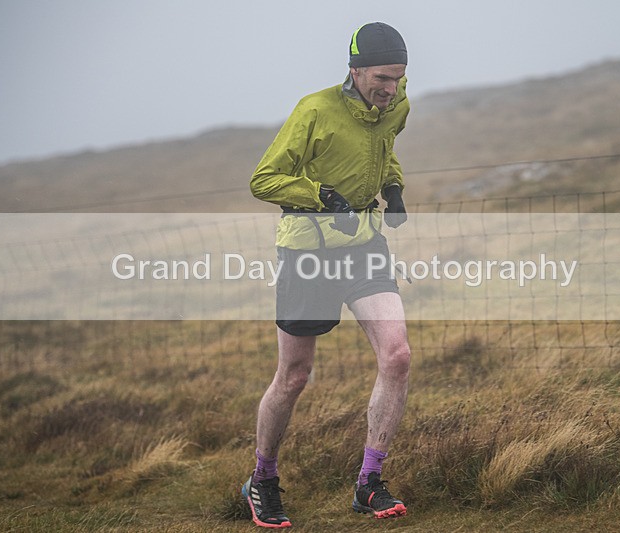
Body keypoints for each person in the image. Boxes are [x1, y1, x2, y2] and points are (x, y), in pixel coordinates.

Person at [241, 22, 412, 528]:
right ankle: (262, 479)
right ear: (355, 70)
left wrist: (394, 187)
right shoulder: (315, 110)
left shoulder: (396, 107)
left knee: (397, 356)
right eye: (382, 78)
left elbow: (382, 150)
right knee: (294, 376)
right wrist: (324, 199)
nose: (390, 90)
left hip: (364, 245)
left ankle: (369, 484)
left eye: (399, 79)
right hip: (308, 252)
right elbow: (263, 179)